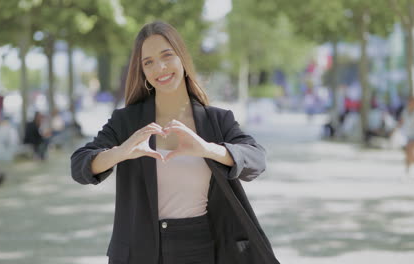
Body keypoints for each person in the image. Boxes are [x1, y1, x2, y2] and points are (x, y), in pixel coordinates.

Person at [71, 21, 279, 264]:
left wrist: (208, 149)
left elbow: (257, 160)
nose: (159, 67)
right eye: (148, 62)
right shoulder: (126, 121)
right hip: (139, 250)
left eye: (167, 56)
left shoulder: (216, 120)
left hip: (200, 246)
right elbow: (79, 167)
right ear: (143, 72)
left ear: (182, 58)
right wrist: (121, 152)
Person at [396, 96, 414, 180]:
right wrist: (395, 130)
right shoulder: (405, 111)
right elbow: (401, 121)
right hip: (407, 135)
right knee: (408, 154)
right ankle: (408, 170)